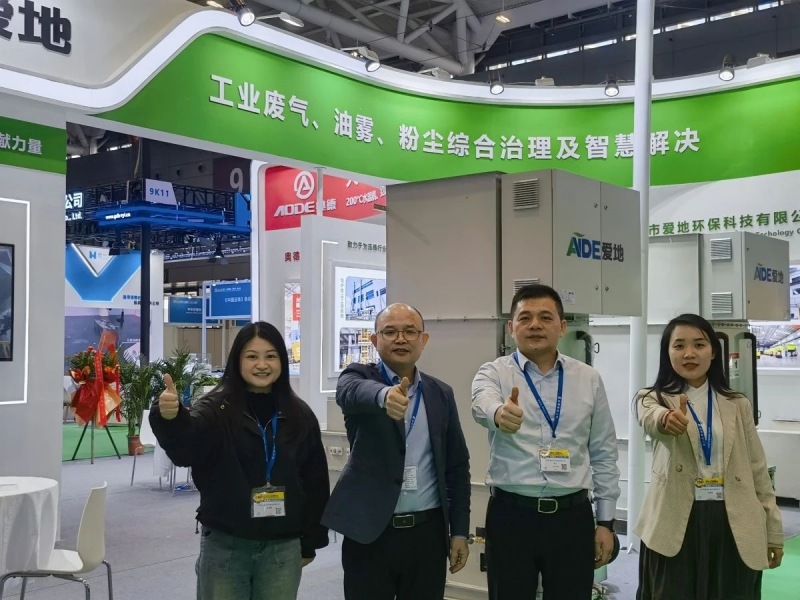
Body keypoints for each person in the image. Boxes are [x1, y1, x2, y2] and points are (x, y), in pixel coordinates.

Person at [150, 321, 330, 600]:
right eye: (252, 356)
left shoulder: (299, 414)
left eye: (271, 356)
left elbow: (315, 481)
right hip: (226, 545)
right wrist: (170, 418)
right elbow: (185, 450)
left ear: (282, 361)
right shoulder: (216, 409)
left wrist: (311, 541)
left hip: (282, 546)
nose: (262, 365)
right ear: (237, 361)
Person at [472, 283, 620, 600]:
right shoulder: (493, 373)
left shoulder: (588, 379)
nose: (535, 325)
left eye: (545, 317)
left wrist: (606, 522)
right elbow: (481, 403)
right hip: (511, 516)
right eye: (525, 318)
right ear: (511, 328)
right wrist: (499, 413)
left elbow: (604, 453)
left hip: (572, 517)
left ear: (562, 326)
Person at [322, 303, 471, 600]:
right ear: (375, 340)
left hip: (427, 534)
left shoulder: (440, 393)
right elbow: (349, 392)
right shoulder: (358, 377)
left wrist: (459, 532)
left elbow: (456, 466)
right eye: (389, 332)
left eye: (409, 331)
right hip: (371, 532)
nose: (400, 339)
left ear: (423, 340)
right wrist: (384, 395)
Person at [634, 313, 783, 600]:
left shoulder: (737, 404)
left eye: (699, 345)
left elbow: (757, 469)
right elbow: (651, 419)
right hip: (675, 521)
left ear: (713, 352)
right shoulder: (652, 398)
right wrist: (666, 419)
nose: (689, 353)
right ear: (667, 353)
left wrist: (773, 529)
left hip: (734, 520)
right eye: (679, 346)